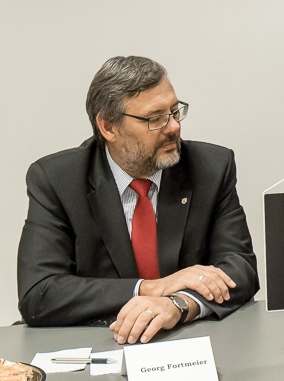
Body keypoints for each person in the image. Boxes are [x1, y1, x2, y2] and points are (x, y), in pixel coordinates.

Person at [17, 56, 259, 345]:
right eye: (154, 118)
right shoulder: (58, 180)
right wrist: (150, 288)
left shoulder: (211, 168)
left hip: (189, 343)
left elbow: (240, 269)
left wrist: (178, 304)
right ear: (108, 127)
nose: (173, 127)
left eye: (174, 111)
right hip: (100, 343)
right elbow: (40, 293)